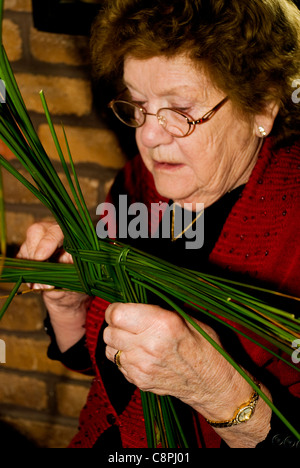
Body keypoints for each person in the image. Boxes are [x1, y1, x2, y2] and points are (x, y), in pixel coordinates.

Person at [18, 0, 300, 448]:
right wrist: (70, 304)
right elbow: (106, 373)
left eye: (180, 110)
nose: (148, 135)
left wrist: (217, 390)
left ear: (262, 107)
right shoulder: (137, 183)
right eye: (138, 104)